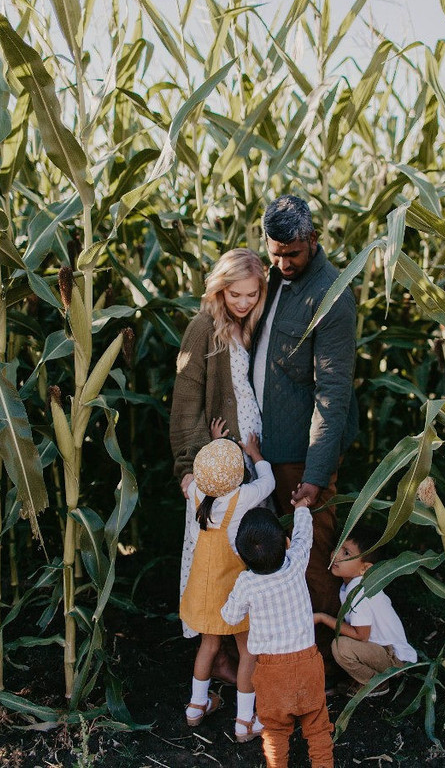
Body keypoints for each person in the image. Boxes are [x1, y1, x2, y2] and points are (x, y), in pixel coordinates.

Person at [250, 194, 359, 663]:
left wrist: (315, 476)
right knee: (269, 557)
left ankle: (327, 665)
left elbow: (332, 395)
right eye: (274, 252)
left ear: (313, 240)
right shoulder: (270, 277)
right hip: (262, 448)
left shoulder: (332, 295)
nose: (282, 262)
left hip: (300, 454)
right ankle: (285, 654)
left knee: (313, 557)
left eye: (291, 254)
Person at [170, 247, 268, 682]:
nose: (244, 302)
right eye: (235, 294)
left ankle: (242, 644)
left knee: (243, 553)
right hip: (218, 468)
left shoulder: (246, 325)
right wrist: (189, 468)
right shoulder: (201, 329)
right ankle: (221, 653)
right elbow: (185, 405)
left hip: (245, 459)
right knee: (215, 555)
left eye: (251, 294)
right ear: (219, 289)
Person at [221, 502, 334, 768]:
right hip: (308, 663)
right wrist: (302, 509)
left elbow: (230, 617)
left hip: (271, 672)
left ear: (242, 558)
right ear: (285, 543)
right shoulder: (295, 563)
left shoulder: (246, 583)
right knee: (317, 728)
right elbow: (304, 536)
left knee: (274, 731)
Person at [180, 436, 275, 742]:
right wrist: (255, 453)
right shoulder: (242, 496)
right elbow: (269, 482)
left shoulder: (195, 490)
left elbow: (200, 476)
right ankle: (245, 721)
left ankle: (196, 705)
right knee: (247, 650)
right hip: (233, 588)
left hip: (205, 586)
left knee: (208, 645)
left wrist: (214, 442)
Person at [314, 520, 417, 697]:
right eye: (338, 547)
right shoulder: (352, 585)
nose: (335, 555)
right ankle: (366, 677)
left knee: (341, 647)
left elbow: (361, 635)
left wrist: (323, 618)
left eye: (346, 553)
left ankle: (375, 683)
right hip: (381, 651)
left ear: (365, 568)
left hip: (393, 657)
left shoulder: (359, 591)